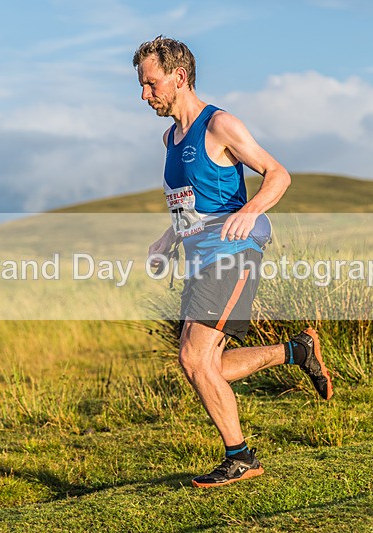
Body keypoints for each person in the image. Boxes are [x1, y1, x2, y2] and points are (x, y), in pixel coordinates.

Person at [133, 36, 334, 488]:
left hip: (233, 254)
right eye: (142, 86)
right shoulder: (171, 138)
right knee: (210, 367)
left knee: (192, 357)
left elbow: (278, 173)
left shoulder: (219, 125)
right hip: (200, 256)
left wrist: (250, 210)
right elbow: (190, 204)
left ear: (179, 77)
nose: (145, 95)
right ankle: (297, 351)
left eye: (151, 84)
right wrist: (168, 238)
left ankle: (241, 457)